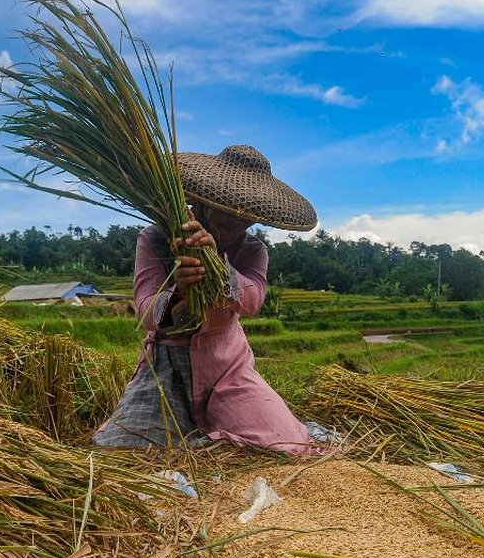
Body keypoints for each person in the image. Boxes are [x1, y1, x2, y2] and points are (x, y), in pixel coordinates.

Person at [93, 145, 337, 455]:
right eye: (228, 208)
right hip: (167, 369)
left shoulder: (252, 250)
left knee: (284, 442)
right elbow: (146, 313)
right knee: (123, 450)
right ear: (205, 202)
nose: (238, 219)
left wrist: (218, 266)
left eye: (247, 213)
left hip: (227, 367)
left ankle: (214, 438)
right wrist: (179, 288)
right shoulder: (155, 238)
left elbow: (253, 301)